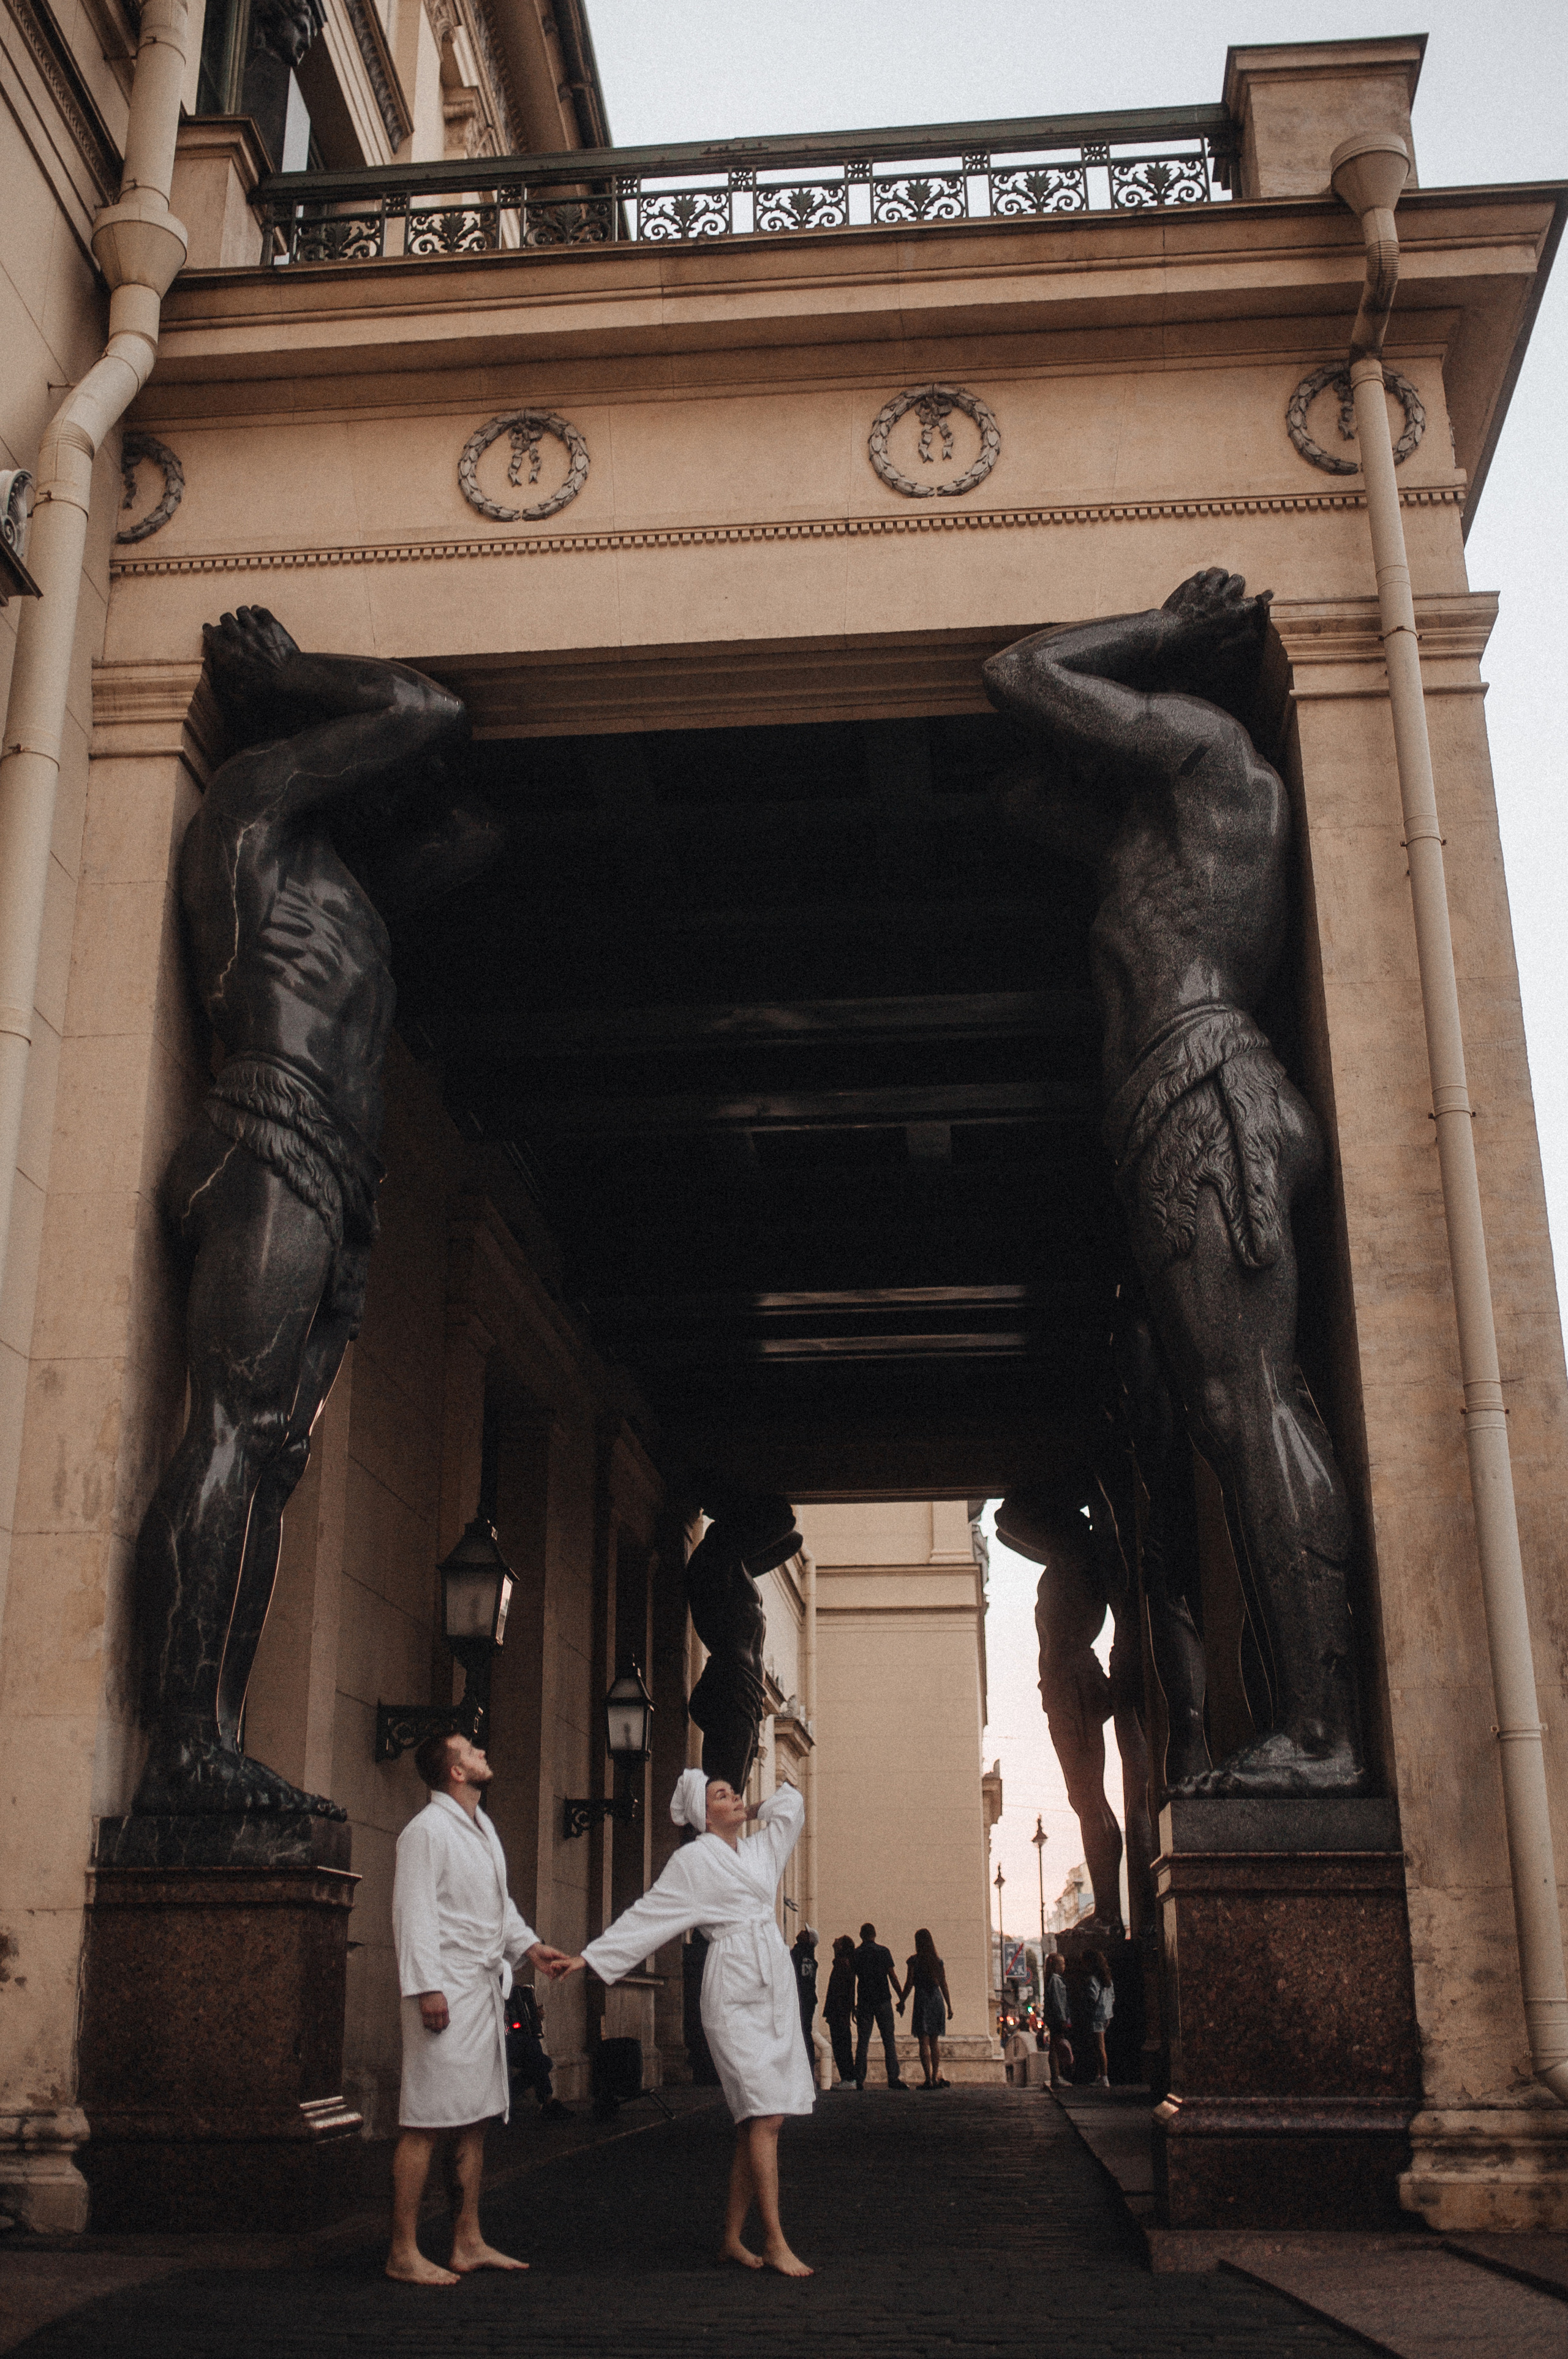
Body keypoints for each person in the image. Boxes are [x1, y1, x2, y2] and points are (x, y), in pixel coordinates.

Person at [983, 570, 1367, 1799]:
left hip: (1202, 1090)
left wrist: (1161, 632)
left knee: (1246, 1403)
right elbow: (1022, 787)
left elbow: (1022, 676)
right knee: (1236, 1409)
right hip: (1182, 1099)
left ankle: (1317, 1729)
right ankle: (1304, 1710)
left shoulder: (1208, 751)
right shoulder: (1159, 824)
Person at [131, 607, 499, 1819]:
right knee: (233, 1431)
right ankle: (181, 1744)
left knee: (271, 1457)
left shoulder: (348, 892)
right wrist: (290, 676)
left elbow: (465, 825)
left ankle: (215, 1735)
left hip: (336, 1176)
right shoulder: (251, 808)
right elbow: (423, 711)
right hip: (264, 1133)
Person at [555, 1770, 814, 2276]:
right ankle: (776, 2240)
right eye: (722, 1795)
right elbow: (648, 1915)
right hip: (733, 1989)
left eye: (734, 1791)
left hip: (772, 1985)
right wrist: (590, 1958)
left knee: (761, 2117)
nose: (735, 1797)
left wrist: (753, 1806)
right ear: (702, 1815)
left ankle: (732, 2239)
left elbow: (793, 1809)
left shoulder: (761, 1850)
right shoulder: (692, 1861)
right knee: (763, 2115)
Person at [387, 1731, 568, 2286]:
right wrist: (427, 1987)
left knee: (475, 2117)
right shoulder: (425, 1831)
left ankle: (466, 2238)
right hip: (445, 1989)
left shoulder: (481, 1826)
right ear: (456, 1772)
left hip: (482, 1988)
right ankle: (402, 2250)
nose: (482, 1751)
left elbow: (498, 1906)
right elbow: (411, 1912)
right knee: (425, 2118)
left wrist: (529, 1946)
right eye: (471, 1750)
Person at [852, 1922, 910, 2091]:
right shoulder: (883, 1952)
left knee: (863, 2041)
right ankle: (893, 2077)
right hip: (883, 2000)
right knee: (889, 2041)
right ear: (874, 1935)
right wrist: (902, 1998)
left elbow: (852, 1981)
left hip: (864, 2001)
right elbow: (893, 1977)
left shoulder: (857, 1954)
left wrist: (852, 2004)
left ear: (861, 1936)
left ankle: (859, 2079)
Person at [504, 1982, 570, 2121]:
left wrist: (534, 2016)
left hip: (509, 2040)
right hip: (493, 2042)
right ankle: (547, 2101)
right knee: (539, 2057)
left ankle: (507, 2098)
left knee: (540, 2059)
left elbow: (517, 2025)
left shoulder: (512, 1992)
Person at [900, 1928, 953, 2088]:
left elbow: (909, 1984)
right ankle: (935, 2077)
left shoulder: (914, 1961)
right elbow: (943, 1984)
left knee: (923, 2041)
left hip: (922, 1999)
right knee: (934, 2041)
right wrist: (949, 2005)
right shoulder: (938, 1962)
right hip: (936, 1999)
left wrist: (902, 2000)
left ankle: (928, 2079)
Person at [823, 1934, 857, 2088]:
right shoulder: (844, 1964)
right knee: (842, 2045)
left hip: (838, 2013)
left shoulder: (842, 1965)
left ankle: (848, 2078)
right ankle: (848, 2078)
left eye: (839, 1940)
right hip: (840, 2012)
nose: (835, 1939)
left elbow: (840, 1992)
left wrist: (837, 2011)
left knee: (841, 2045)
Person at [1085, 1949, 1115, 2087]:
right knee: (1100, 2047)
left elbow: (1092, 1997)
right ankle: (1101, 2076)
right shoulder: (1107, 1979)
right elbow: (1113, 1998)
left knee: (1099, 2047)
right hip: (1107, 2015)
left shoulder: (1093, 1979)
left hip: (1097, 2016)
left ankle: (1104, 2077)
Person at [1044, 1952, 1074, 2089]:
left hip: (1054, 2018)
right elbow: (1058, 2001)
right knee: (1056, 2047)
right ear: (1056, 1965)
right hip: (1057, 2019)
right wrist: (1063, 2019)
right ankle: (1056, 2077)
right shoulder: (1056, 1980)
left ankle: (1056, 2076)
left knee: (1055, 2047)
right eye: (1062, 1963)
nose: (1064, 1966)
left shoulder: (1052, 1979)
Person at [790, 1926, 819, 2061]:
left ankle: (808, 2064)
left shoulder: (800, 1956)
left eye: (806, 1933)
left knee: (803, 2033)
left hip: (802, 2000)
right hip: (807, 2000)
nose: (801, 1931)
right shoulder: (807, 1957)